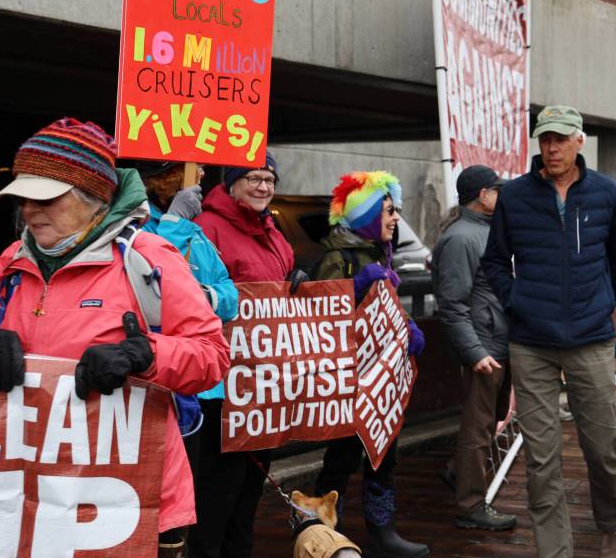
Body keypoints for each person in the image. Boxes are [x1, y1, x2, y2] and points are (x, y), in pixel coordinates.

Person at [0, 118, 230, 557]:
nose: (29, 210)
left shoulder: (148, 258)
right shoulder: (11, 262)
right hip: (34, 494)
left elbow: (211, 357)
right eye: (23, 198)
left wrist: (144, 355)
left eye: (46, 199)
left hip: (127, 499)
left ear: (93, 198)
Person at [482, 105, 616, 558]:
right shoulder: (515, 196)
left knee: (605, 452)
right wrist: (517, 300)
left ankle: (612, 523)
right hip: (531, 343)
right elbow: (494, 262)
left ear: (579, 140)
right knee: (542, 462)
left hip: (592, 339)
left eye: (560, 139)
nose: (551, 148)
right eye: (544, 140)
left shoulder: (604, 192)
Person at [188, 151, 304, 558]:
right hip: (223, 384)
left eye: (269, 179)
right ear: (232, 183)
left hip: (264, 383)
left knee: (251, 490)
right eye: (253, 177)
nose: (263, 187)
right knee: (219, 488)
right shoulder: (207, 228)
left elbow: (281, 280)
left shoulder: (272, 230)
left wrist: (296, 282)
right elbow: (197, 295)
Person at [312, 171, 429, 558]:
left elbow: (386, 309)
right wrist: (355, 287)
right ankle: (327, 534)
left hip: (379, 381)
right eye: (389, 210)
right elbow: (320, 317)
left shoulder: (380, 252)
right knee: (342, 459)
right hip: (349, 379)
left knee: (385, 456)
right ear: (364, 215)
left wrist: (407, 328)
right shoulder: (337, 256)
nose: (396, 218)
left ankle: (382, 532)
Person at [431, 165, 517, 532]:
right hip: (483, 347)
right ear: (483, 196)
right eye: (498, 190)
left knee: (493, 416)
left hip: (499, 342)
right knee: (477, 427)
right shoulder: (462, 238)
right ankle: (470, 505)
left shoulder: (488, 231)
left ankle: (459, 472)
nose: (504, 197)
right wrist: (474, 353)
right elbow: (452, 304)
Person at [134, 160, 238, 324]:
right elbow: (157, 286)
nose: (202, 174)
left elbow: (231, 298)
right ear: (165, 178)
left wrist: (204, 297)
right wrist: (175, 223)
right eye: (195, 169)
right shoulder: (136, 227)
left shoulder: (194, 231)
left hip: (203, 344)